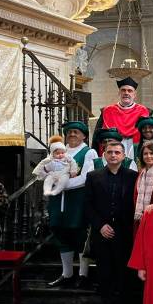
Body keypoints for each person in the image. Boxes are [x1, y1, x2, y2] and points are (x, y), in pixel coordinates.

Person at [84, 141, 138, 304]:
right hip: (102, 232)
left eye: (117, 152)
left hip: (124, 232)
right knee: (104, 271)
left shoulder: (133, 176)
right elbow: (87, 205)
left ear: (124, 156)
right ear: (104, 155)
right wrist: (100, 225)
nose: (113, 155)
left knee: (123, 272)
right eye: (110, 152)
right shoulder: (93, 176)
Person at [46, 121, 98, 288]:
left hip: (77, 200)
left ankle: (83, 274)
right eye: (69, 132)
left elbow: (86, 177)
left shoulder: (89, 152)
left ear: (84, 135)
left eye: (76, 132)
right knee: (61, 234)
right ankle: (66, 274)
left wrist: (62, 183)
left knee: (80, 235)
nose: (72, 135)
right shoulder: (57, 152)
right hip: (57, 200)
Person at [93, 77, 152, 157]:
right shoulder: (108, 111)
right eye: (123, 90)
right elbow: (97, 136)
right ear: (119, 93)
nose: (126, 93)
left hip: (135, 148)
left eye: (130, 91)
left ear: (134, 94)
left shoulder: (143, 111)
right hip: (113, 151)